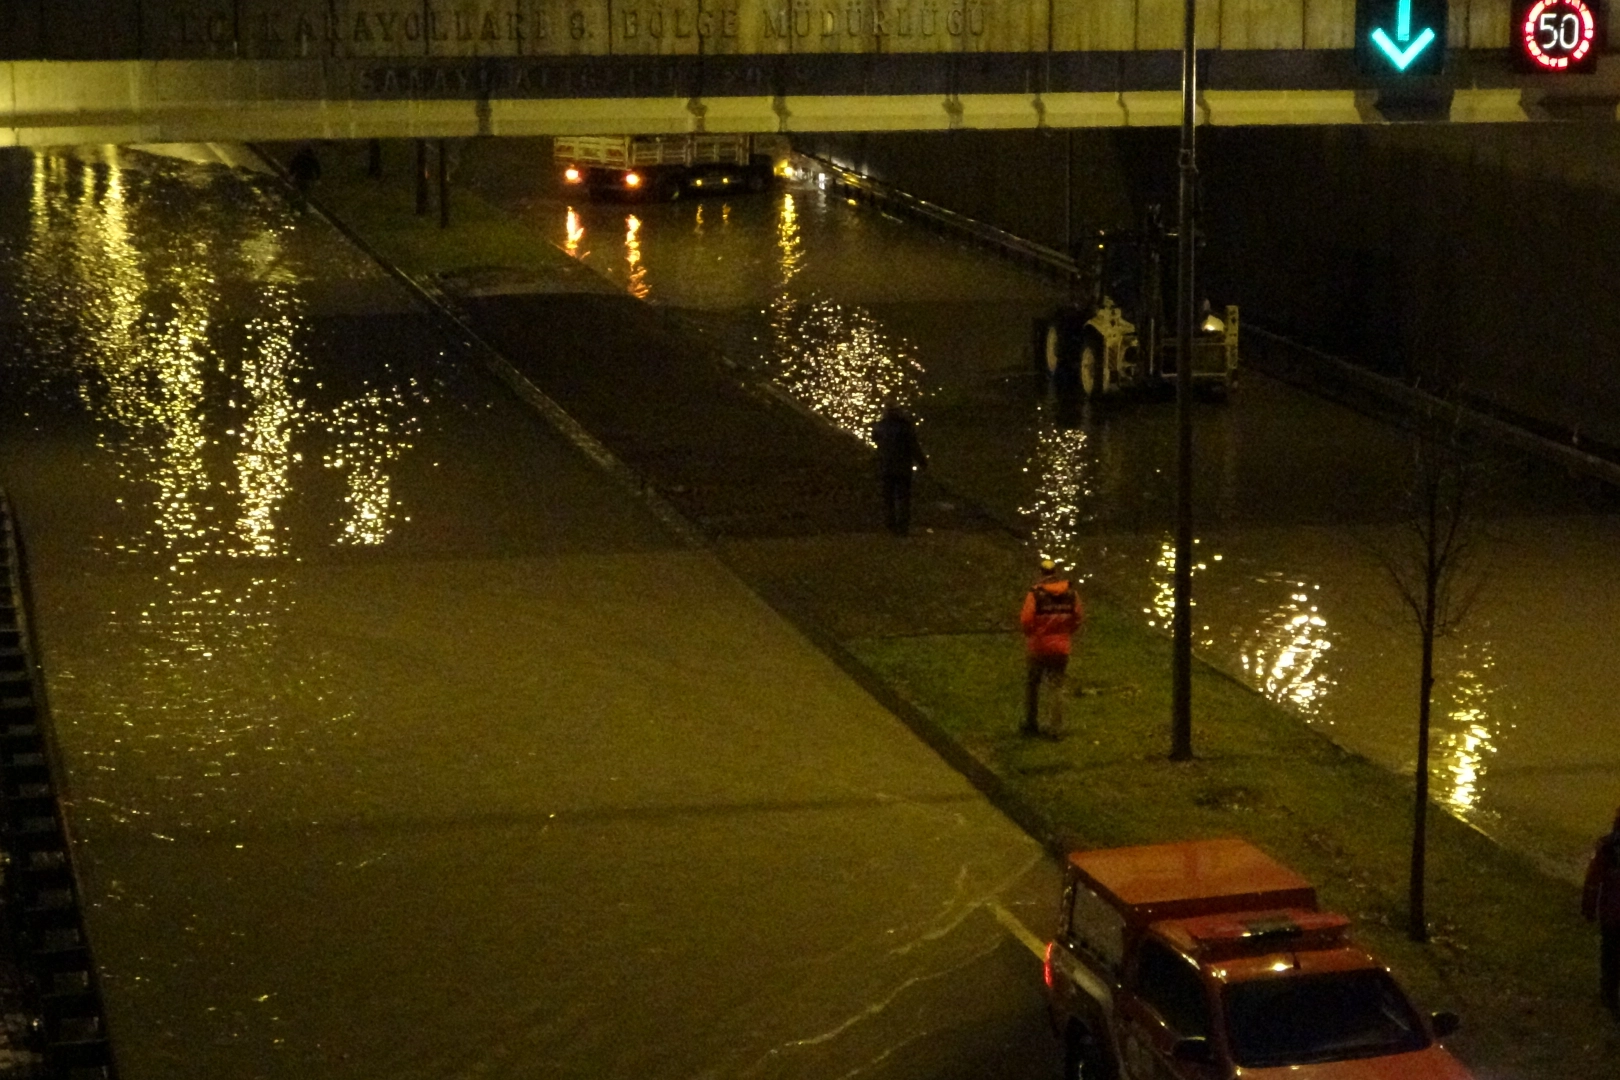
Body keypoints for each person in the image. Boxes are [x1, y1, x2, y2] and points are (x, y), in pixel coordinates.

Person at [1020, 557, 1083, 738]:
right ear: (1056, 572)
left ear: (1040, 573)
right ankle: (1056, 728)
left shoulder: (1035, 594)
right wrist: (1065, 633)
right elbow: (1077, 617)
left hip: (1038, 647)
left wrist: (1033, 634)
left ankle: (1031, 723)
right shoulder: (1071, 594)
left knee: (1033, 685)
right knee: (1056, 686)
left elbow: (1026, 620)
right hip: (1061, 647)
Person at [1582, 806, 1620, 1011]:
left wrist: (1588, 905)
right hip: (1612, 912)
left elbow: (1593, 879)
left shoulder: (1607, 847)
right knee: (1611, 953)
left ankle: (1609, 992)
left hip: (1611, 912)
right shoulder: (1607, 848)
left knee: (1610, 954)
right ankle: (1609, 992)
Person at [871, 405, 927, 536]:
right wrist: (922, 462)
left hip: (885, 467)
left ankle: (890, 525)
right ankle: (902, 528)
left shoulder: (879, 426)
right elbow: (914, 446)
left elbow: (875, 440)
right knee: (903, 498)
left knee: (888, 498)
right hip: (903, 468)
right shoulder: (905, 427)